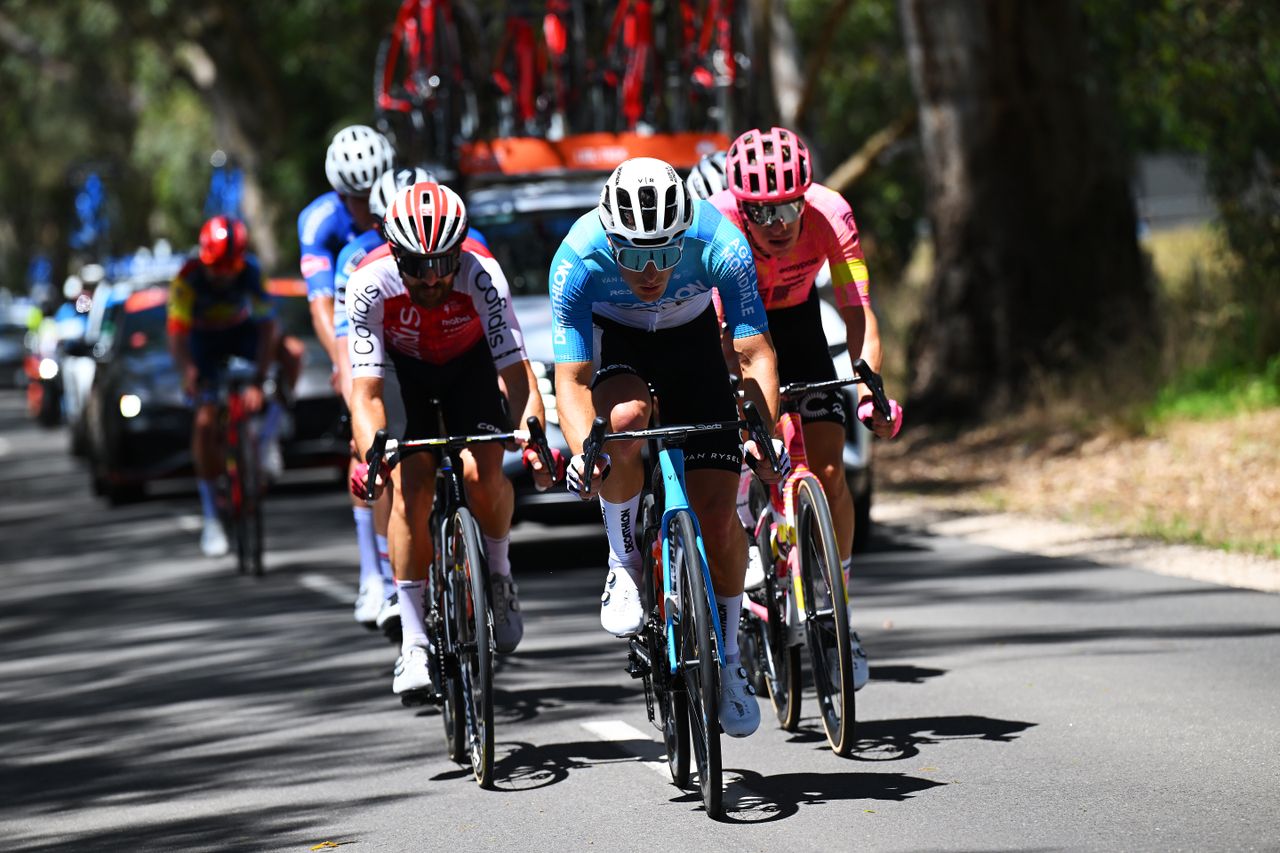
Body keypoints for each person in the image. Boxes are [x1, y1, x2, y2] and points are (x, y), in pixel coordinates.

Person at [548, 157, 788, 738]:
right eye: (633, 256)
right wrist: (588, 452)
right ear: (611, 241)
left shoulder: (722, 245)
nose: (651, 271)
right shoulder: (577, 260)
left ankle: (729, 662)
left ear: (685, 235)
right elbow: (574, 382)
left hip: (693, 342)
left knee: (719, 519)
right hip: (617, 340)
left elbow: (755, 355)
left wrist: (764, 432)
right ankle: (625, 562)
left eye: (664, 254)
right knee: (624, 422)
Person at [707, 127, 904, 691]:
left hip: (798, 326)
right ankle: (745, 543)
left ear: (806, 194)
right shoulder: (716, 222)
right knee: (752, 445)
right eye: (762, 213)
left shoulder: (831, 214)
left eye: (788, 206)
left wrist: (870, 389)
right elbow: (726, 336)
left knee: (830, 471)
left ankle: (838, 605)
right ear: (740, 206)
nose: (779, 225)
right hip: (735, 331)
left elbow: (858, 311)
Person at [346, 180, 555, 697]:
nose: (433, 278)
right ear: (395, 254)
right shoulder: (369, 282)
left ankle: (500, 577)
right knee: (411, 485)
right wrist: (372, 451)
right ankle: (414, 642)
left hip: (468, 365)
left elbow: (516, 372)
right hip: (404, 371)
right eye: (418, 265)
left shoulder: (483, 275)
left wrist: (532, 434)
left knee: (483, 472)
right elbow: (366, 393)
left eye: (443, 262)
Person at [297, 124, 394, 623]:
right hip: (348, 324)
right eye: (354, 198)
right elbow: (321, 304)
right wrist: (343, 367)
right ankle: (372, 576)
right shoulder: (319, 223)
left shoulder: (399, 200)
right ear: (339, 193)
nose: (365, 205)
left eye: (371, 191)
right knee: (364, 441)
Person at [168, 216, 296, 556]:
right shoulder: (187, 277)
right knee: (205, 422)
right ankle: (211, 517)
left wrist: (260, 379)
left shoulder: (252, 271)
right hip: (203, 344)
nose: (223, 275)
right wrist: (189, 372)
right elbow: (177, 335)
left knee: (293, 352)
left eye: (230, 268)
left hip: (241, 336)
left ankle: (269, 436)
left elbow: (269, 326)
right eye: (216, 267)